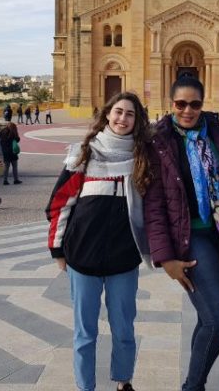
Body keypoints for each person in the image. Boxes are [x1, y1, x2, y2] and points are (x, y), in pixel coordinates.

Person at [46, 92, 152, 391]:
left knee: (123, 329)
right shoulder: (84, 153)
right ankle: (85, 386)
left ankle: (123, 381)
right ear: (107, 114)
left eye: (129, 114)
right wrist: (57, 249)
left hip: (123, 260)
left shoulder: (143, 158)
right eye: (118, 112)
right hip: (83, 258)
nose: (122, 119)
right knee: (85, 334)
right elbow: (59, 204)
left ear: (137, 120)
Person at [144, 74, 219, 391]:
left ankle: (194, 385)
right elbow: (154, 205)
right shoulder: (158, 141)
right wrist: (166, 258)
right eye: (181, 103)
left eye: (195, 104)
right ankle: (192, 386)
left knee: (208, 320)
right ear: (171, 103)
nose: (188, 110)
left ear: (203, 104)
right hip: (192, 238)